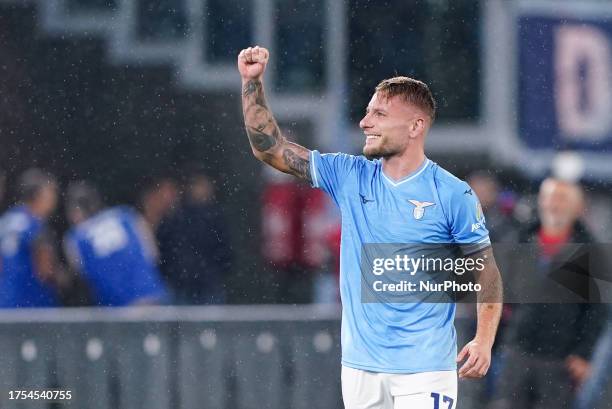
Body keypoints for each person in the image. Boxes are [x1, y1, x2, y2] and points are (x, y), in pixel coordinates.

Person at [238, 46, 503, 408]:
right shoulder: (349, 175)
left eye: (378, 113)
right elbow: (270, 150)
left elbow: (484, 271)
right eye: (366, 112)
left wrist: (484, 339)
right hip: (360, 367)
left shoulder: (452, 193)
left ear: (415, 126)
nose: (365, 122)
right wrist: (252, 83)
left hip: (425, 367)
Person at [490, 178, 604, 409]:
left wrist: (584, 354)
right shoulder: (519, 240)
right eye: (549, 196)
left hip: (560, 357)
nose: (554, 204)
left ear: (577, 207)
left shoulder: (590, 251)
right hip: (516, 349)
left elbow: (597, 310)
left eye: (562, 198)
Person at [63, 181, 169, 306]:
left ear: (75, 211)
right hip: (153, 297)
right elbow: (153, 254)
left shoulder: (75, 238)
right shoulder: (127, 215)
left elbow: (81, 276)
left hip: (117, 311)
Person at [0, 169, 78, 307]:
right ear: (38, 195)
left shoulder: (5, 221)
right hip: (34, 306)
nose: (55, 198)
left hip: (6, 304)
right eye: (51, 192)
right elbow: (45, 270)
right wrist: (68, 278)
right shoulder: (35, 224)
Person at [157, 172, 231, 304]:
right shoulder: (177, 217)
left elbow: (224, 252)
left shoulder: (214, 218)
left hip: (205, 286)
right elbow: (165, 248)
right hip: (183, 285)